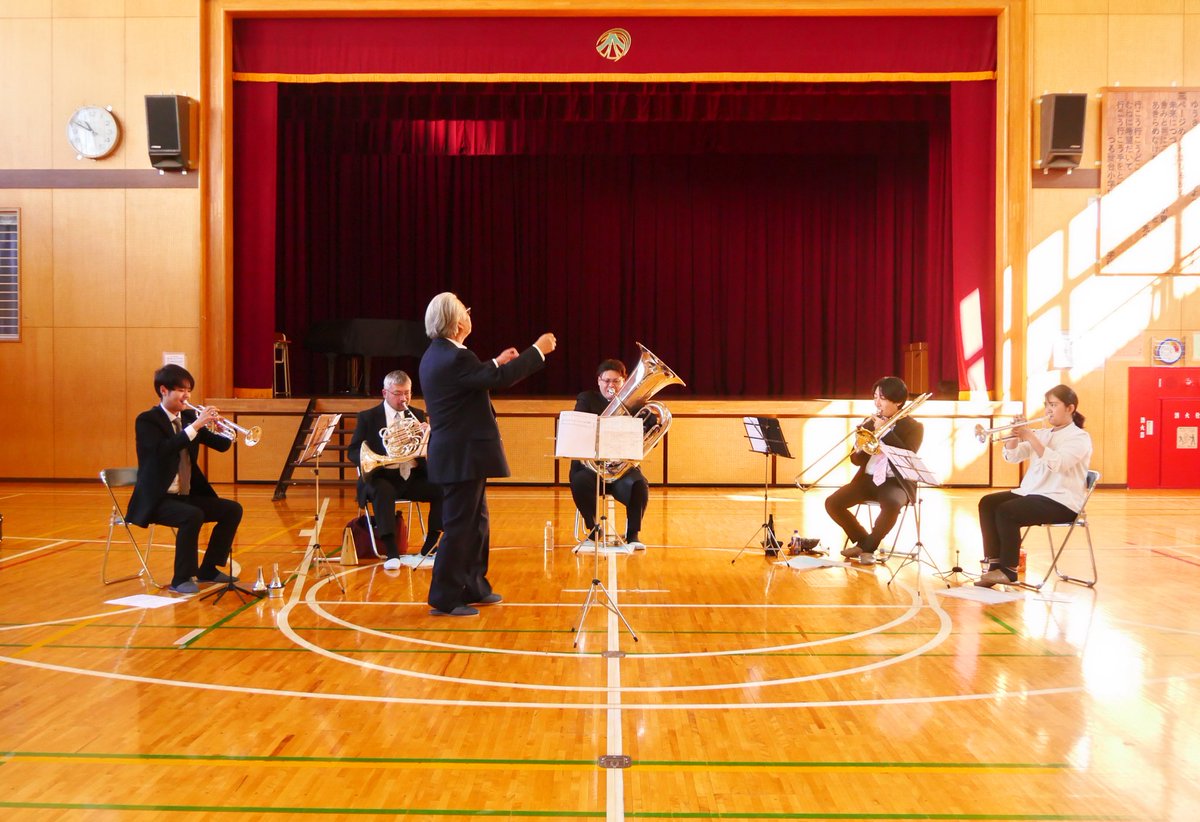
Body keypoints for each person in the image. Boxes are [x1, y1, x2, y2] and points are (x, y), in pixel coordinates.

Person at [419, 292, 557, 616]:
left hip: (460, 454)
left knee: (476, 524)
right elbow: (498, 380)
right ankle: (445, 597)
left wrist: (496, 361)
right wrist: (536, 351)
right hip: (462, 455)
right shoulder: (455, 357)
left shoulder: (438, 354)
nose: (469, 313)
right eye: (464, 310)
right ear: (457, 323)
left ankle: (474, 586)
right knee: (459, 528)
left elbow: (475, 378)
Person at [126, 364, 243, 595]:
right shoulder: (148, 421)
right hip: (157, 499)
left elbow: (221, 446)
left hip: (185, 495)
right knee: (193, 515)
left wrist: (221, 428)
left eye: (188, 390)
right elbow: (162, 451)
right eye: (180, 390)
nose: (186, 396)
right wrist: (196, 426)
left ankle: (208, 569)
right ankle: (181, 579)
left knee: (232, 510)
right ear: (163, 390)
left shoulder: (189, 416)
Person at [975, 384, 1092, 587]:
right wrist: (1013, 436)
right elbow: (1013, 457)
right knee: (988, 503)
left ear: (1070, 408)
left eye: (1053, 405)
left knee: (1007, 511)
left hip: (1062, 501)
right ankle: (994, 565)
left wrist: (1030, 436)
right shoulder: (1044, 434)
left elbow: (1059, 464)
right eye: (1046, 405)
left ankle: (1009, 570)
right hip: (1034, 493)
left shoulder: (1080, 438)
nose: (1048, 410)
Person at [348, 370, 443, 569]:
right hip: (382, 476)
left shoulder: (417, 415)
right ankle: (391, 551)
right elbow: (353, 450)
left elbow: (425, 450)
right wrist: (369, 459)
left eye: (407, 393)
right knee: (383, 491)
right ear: (385, 393)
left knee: (442, 488)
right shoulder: (368, 417)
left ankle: (430, 545)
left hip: (412, 476)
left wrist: (429, 437)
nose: (404, 399)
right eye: (398, 393)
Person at [826, 376, 924, 566]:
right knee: (832, 503)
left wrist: (886, 433)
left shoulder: (915, 427)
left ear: (898, 402)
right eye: (875, 397)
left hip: (895, 481)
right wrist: (860, 447)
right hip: (868, 479)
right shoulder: (868, 422)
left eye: (883, 398)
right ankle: (865, 542)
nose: (877, 403)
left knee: (892, 504)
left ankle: (868, 547)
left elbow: (907, 455)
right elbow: (855, 461)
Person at [568, 358, 650, 550]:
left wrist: (646, 424)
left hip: (622, 473)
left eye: (616, 381)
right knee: (579, 481)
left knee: (640, 484)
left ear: (625, 381)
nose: (610, 385)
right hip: (593, 470)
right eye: (606, 381)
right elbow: (579, 427)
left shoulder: (634, 404)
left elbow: (649, 431)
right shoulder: (587, 399)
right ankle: (593, 531)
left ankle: (633, 536)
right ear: (599, 381)